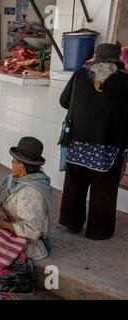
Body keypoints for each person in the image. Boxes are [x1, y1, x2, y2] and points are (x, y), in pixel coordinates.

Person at [59, 43, 128, 241]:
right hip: (110, 145)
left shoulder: (80, 75)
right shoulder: (125, 81)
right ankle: (98, 231)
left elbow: (64, 101)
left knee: (75, 183)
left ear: (96, 58)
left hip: (78, 141)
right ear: (118, 60)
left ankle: (71, 223)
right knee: (104, 188)